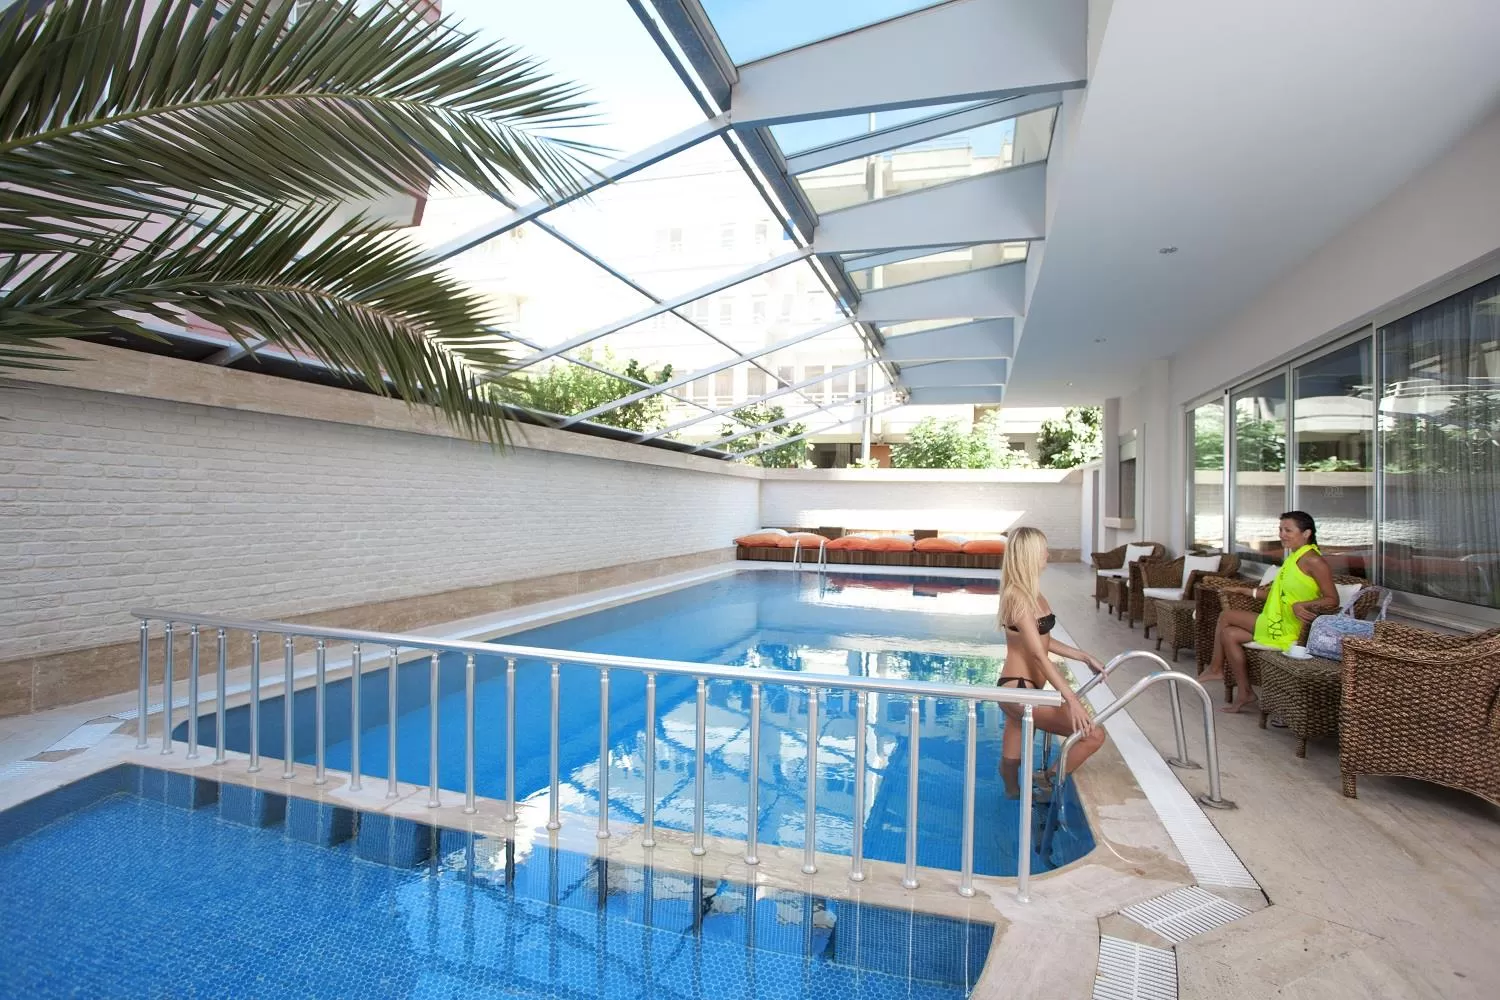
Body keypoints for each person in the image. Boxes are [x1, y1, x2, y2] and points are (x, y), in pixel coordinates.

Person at [994, 526, 1107, 797]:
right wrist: (1071, 699)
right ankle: (1047, 783)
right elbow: (1037, 654)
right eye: (1043, 549)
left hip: (1024, 690)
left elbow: (1044, 641)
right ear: (1030, 554)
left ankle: (1012, 794)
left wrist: (1083, 656)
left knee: (1014, 745)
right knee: (1093, 735)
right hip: (1019, 690)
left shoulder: (1033, 593)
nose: (1048, 554)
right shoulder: (1017, 598)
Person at [1200, 511, 1337, 714]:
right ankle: (1245, 693)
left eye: (1288, 530)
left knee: (1226, 616)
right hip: (1277, 620)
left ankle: (1216, 668)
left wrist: (1302, 605)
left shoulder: (1314, 561)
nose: (1282, 534)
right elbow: (1279, 595)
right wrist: (1246, 591)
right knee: (1229, 634)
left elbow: (1333, 600)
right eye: (1280, 529)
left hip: (1292, 627)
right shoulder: (1294, 557)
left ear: (1306, 533)